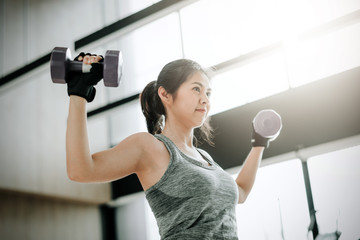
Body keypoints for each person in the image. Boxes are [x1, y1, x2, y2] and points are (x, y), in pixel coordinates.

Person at [65, 52, 276, 239]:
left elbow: (240, 192)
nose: (205, 100)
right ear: (165, 94)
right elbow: (81, 170)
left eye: (208, 93)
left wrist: (259, 143)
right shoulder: (151, 147)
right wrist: (79, 93)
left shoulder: (204, 158)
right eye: (196, 89)